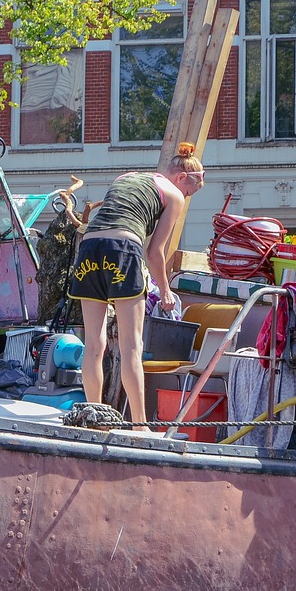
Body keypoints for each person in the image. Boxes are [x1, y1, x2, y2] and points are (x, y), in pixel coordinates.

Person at [67, 141, 206, 428]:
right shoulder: (173, 196)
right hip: (122, 247)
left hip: (89, 246)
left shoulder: (126, 177)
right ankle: (140, 425)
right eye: (189, 192)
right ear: (181, 179)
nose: (186, 197)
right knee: (132, 345)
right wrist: (165, 290)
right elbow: (155, 252)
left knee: (94, 344)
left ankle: (95, 417)